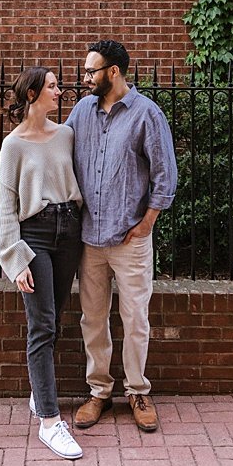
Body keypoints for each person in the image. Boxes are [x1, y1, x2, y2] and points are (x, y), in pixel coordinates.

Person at [67, 39, 177, 434]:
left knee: (135, 319)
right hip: (90, 240)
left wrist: (147, 223)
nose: (84, 79)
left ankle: (136, 391)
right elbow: (61, 155)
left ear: (113, 72)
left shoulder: (147, 114)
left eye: (90, 71)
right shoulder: (81, 112)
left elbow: (165, 175)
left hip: (131, 239)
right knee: (93, 320)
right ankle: (99, 392)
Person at [0, 67, 84, 460]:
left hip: (70, 232)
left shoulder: (66, 135)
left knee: (55, 315)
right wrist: (15, 261)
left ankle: (39, 392)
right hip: (35, 235)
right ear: (32, 93)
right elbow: (6, 210)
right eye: (52, 86)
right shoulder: (13, 146)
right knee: (42, 324)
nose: (60, 92)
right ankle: (49, 421)